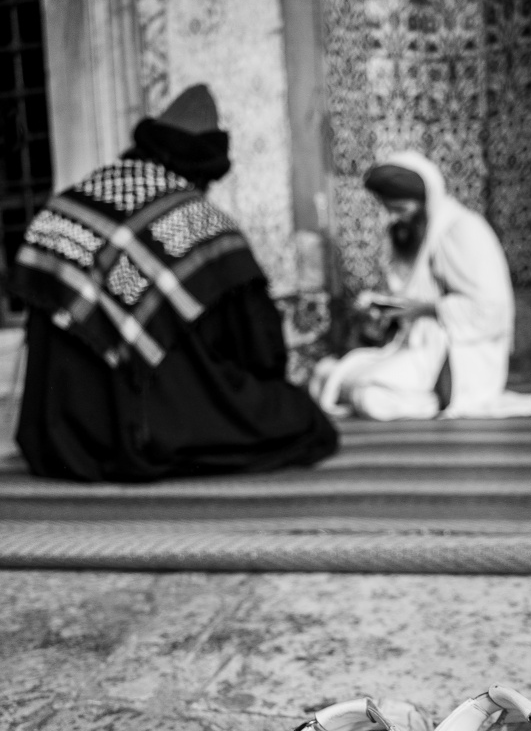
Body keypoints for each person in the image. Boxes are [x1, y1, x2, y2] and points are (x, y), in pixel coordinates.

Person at [11, 85, 337, 481]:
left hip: (59, 440)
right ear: (205, 168)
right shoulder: (201, 223)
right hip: (151, 421)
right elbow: (259, 346)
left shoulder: (68, 205)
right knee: (303, 419)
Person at [310, 150, 531, 421]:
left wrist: (425, 310)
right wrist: (385, 311)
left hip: (458, 358)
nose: (394, 218)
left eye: (400, 209)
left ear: (426, 202)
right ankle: (413, 391)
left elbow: (491, 310)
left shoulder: (462, 230)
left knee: (369, 397)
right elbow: (413, 298)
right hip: (416, 349)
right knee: (324, 375)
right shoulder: (416, 238)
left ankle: (436, 399)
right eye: (388, 209)